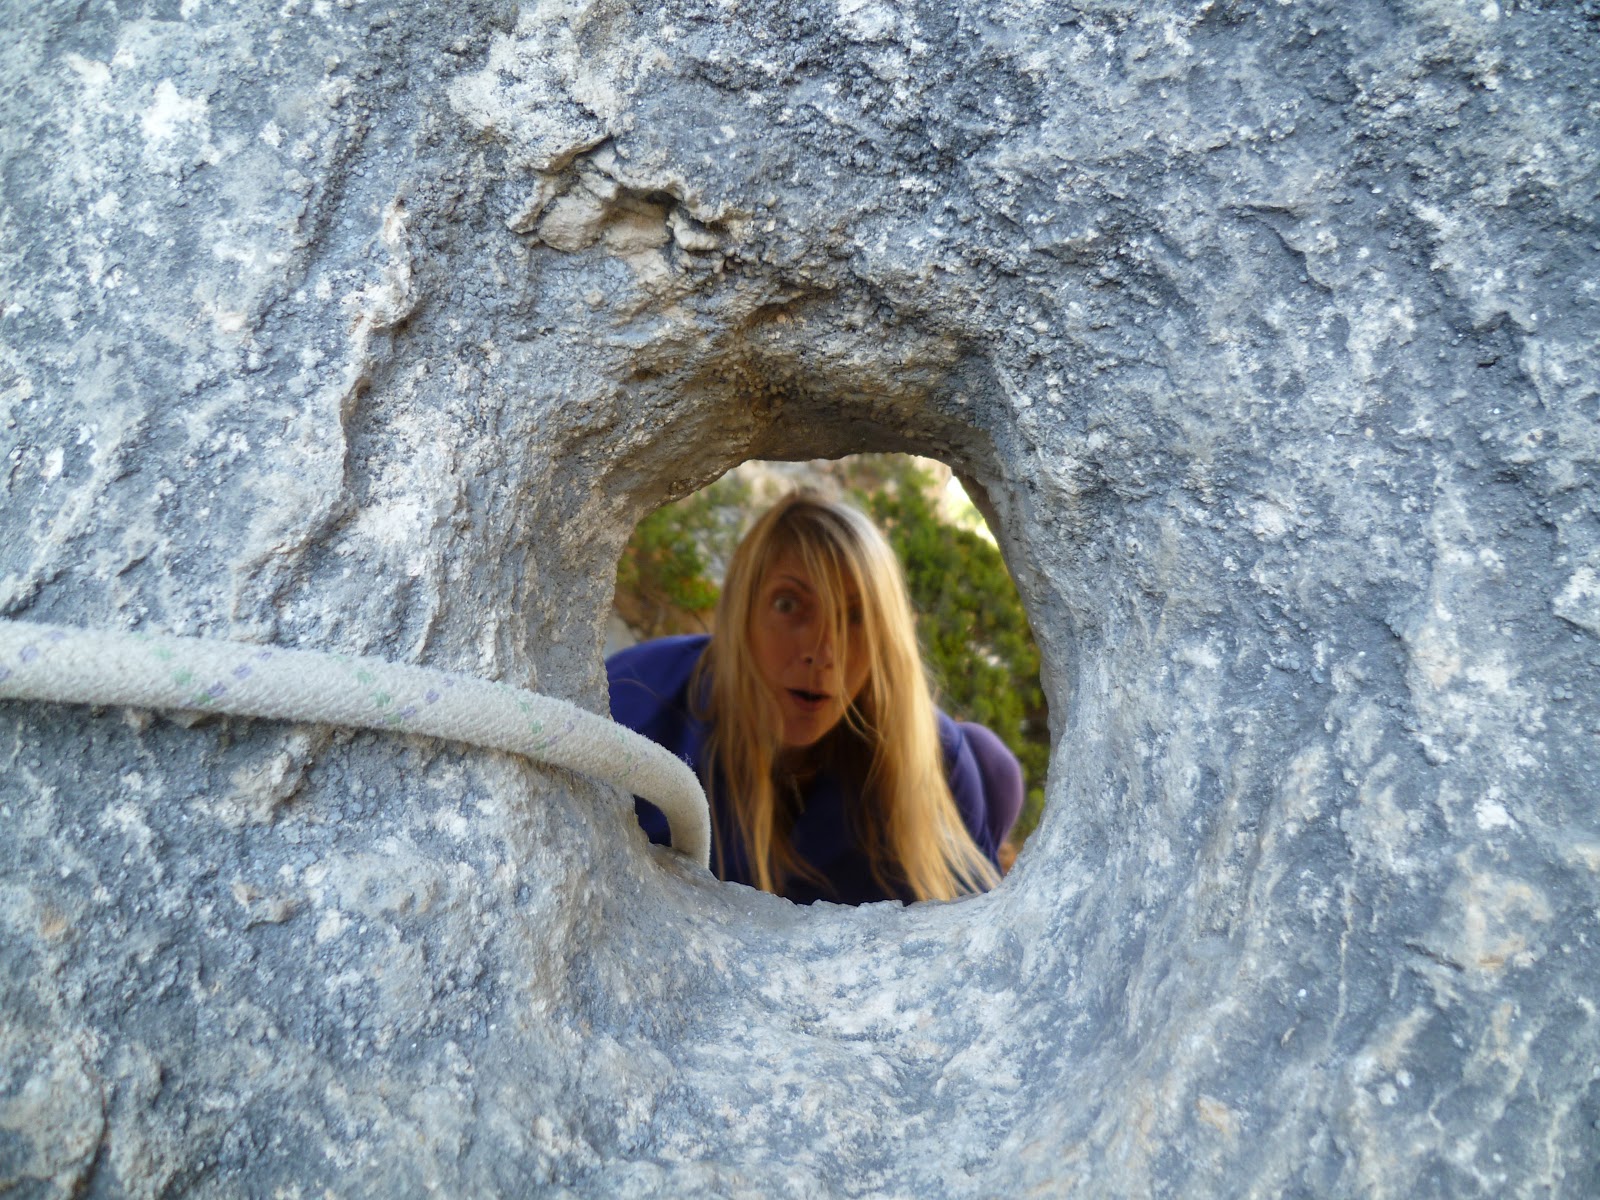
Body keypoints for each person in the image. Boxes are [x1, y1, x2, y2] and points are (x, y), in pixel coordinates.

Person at [607, 490, 1022, 905]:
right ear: (740, 610)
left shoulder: (934, 763)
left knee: (994, 765)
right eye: (788, 605)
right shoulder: (635, 706)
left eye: (855, 616)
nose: (822, 652)